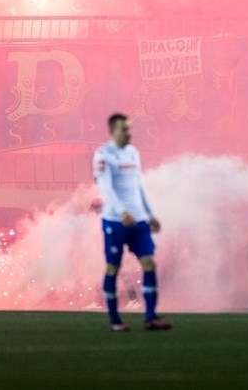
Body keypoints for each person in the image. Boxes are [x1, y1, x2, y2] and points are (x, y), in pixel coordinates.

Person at [93, 113, 172, 332]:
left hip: (138, 221)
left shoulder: (133, 153)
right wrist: (121, 211)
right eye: (124, 129)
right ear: (112, 132)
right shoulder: (103, 155)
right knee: (113, 267)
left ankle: (150, 317)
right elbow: (105, 187)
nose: (129, 133)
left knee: (149, 264)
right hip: (115, 221)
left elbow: (138, 187)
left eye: (130, 129)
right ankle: (115, 320)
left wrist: (149, 214)